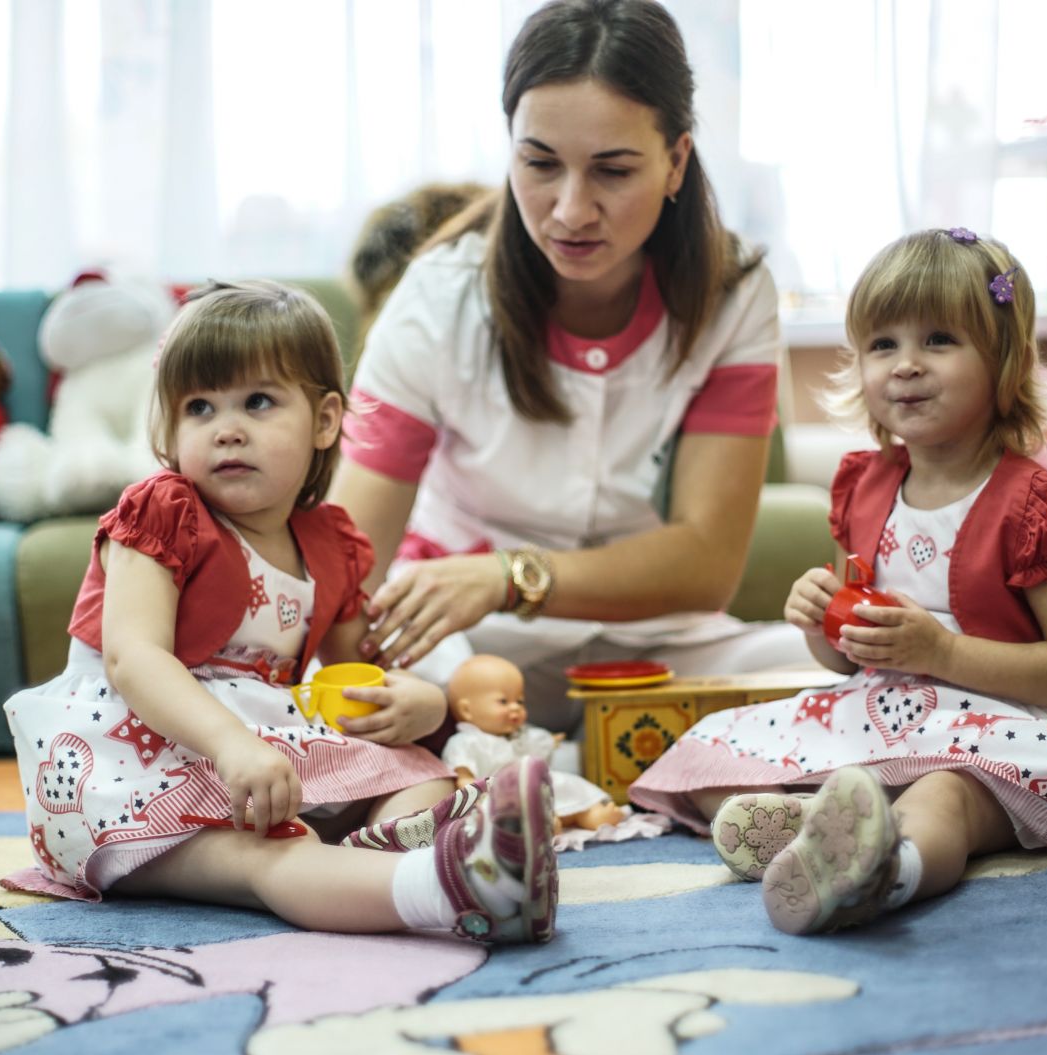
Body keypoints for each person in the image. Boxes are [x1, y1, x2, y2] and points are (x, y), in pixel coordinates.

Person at [0, 281, 557, 945]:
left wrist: (423, 703)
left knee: (417, 767)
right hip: (134, 763)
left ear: (324, 421)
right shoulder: (163, 514)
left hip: (256, 754)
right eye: (199, 406)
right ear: (170, 429)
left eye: (258, 401)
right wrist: (232, 745)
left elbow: (360, 674)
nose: (226, 427)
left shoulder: (331, 542)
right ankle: (453, 888)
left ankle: (380, 860)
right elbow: (132, 657)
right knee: (271, 857)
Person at [628, 228, 1047, 935]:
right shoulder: (864, 486)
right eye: (882, 344)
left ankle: (885, 872)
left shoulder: (1033, 501)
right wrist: (820, 627)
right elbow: (849, 657)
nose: (904, 365)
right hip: (886, 710)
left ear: (1005, 361)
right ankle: (824, 825)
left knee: (943, 799)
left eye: (937, 339)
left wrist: (941, 653)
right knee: (712, 759)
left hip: (1003, 731)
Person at [328, 0, 808, 734]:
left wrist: (510, 576)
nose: (570, 211)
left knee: (837, 677)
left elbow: (706, 562)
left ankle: (561, 768)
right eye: (540, 163)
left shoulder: (734, 293)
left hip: (651, 638)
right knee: (395, 700)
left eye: (612, 171)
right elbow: (350, 562)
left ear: (677, 160)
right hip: (460, 646)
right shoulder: (436, 297)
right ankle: (570, 770)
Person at [444, 654, 626, 834]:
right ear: (466, 710)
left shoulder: (519, 736)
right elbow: (463, 778)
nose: (515, 707)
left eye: (519, 701)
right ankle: (539, 826)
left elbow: (534, 746)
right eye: (503, 701)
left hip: (534, 787)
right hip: (501, 796)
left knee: (563, 786)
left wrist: (550, 742)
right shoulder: (466, 742)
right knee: (515, 810)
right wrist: (477, 793)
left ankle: (588, 813)